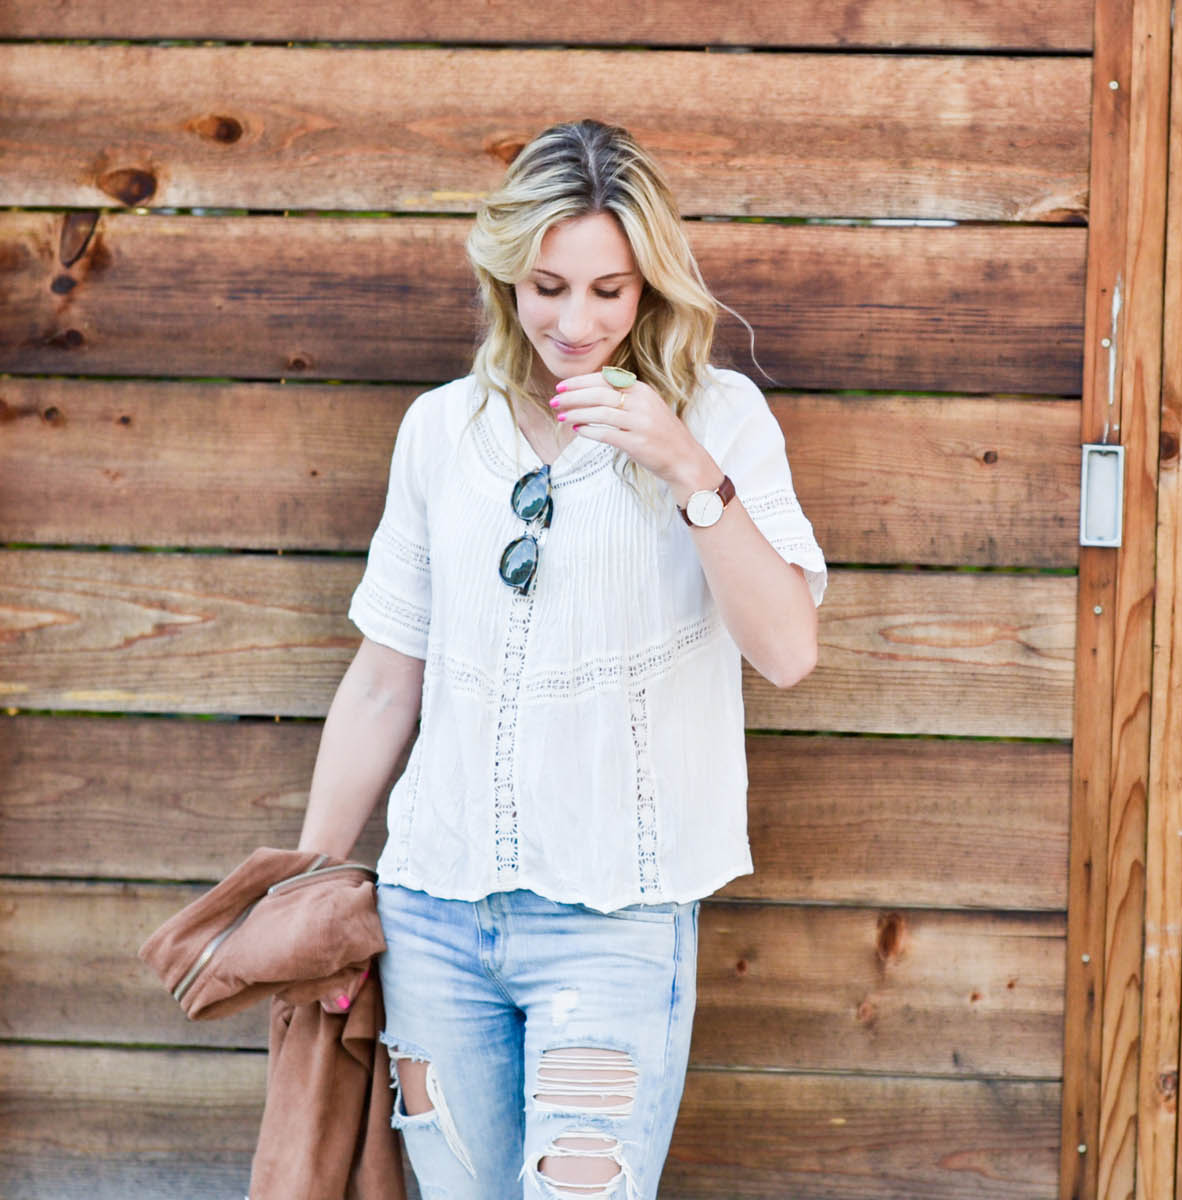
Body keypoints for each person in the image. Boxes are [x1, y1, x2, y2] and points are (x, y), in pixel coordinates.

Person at [295, 119, 825, 1200]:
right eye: (547, 287)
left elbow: (787, 651)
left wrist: (685, 464)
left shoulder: (722, 417)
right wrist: (305, 884)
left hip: (614, 925)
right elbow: (385, 677)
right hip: (435, 918)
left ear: (651, 290)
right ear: (506, 277)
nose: (574, 322)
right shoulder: (443, 430)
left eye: (608, 291)